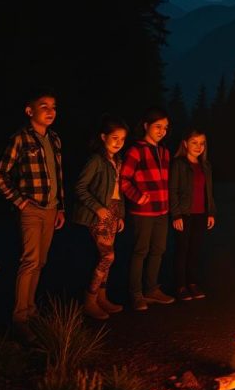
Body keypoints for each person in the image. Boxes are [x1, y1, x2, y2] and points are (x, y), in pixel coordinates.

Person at [0, 88, 65, 340]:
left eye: (53, 106)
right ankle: (19, 317)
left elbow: (58, 175)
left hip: (51, 208)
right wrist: (19, 201)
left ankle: (31, 311)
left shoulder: (54, 139)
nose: (50, 111)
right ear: (29, 110)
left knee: (41, 262)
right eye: (43, 106)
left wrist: (61, 207)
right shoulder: (21, 139)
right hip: (31, 209)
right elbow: (0, 173)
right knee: (30, 261)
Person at [73, 114, 148, 320]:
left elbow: (119, 191)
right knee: (107, 256)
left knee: (107, 258)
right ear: (103, 137)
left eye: (122, 139)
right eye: (114, 138)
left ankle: (102, 297)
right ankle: (89, 300)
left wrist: (121, 215)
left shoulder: (117, 161)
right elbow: (80, 188)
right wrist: (97, 207)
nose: (119, 143)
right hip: (99, 213)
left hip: (114, 211)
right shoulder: (96, 160)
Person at [120, 106, 175, 311]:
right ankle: (136, 294)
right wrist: (137, 196)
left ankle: (151, 289)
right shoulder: (136, 150)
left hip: (162, 211)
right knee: (140, 251)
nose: (162, 131)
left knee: (158, 250)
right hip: (143, 212)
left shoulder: (164, 152)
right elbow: (124, 179)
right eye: (158, 126)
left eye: (165, 127)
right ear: (146, 126)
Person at [170, 127, 216, 301]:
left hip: (201, 214)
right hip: (184, 214)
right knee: (182, 250)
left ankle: (192, 283)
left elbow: (209, 191)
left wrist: (211, 212)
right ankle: (180, 286)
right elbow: (172, 190)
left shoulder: (205, 165)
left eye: (202, 143)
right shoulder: (179, 164)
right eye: (194, 142)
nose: (198, 146)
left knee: (195, 251)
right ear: (185, 144)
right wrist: (176, 215)